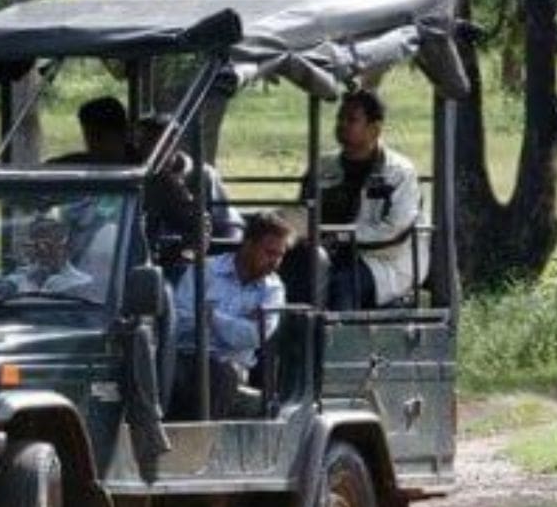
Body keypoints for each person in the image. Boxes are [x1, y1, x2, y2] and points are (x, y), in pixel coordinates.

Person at [303, 88, 423, 310]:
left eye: (351, 119)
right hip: (329, 253)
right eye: (340, 118)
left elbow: (395, 228)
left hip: (384, 261)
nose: (341, 125)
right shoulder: (323, 167)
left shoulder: (399, 172)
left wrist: (340, 237)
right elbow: (303, 211)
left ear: (375, 129)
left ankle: (337, 341)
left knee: (342, 284)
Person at [169, 213, 293, 419]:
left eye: (280, 255)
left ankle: (202, 445)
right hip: (188, 358)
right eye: (270, 253)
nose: (275, 262)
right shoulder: (204, 271)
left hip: (232, 369)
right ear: (248, 244)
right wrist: (235, 325)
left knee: (220, 375)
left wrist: (212, 317)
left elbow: (254, 336)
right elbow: (180, 323)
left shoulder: (273, 289)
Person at [137, 113, 244, 246]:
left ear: (173, 142)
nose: (147, 149)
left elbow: (229, 227)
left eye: (154, 142)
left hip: (189, 258)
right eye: (143, 142)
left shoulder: (204, 175)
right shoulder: (136, 177)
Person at [10, 214, 98, 298]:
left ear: (65, 247)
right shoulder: (18, 278)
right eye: (36, 245)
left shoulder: (82, 283)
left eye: (49, 245)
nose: (43, 250)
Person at [47, 96, 132, 165]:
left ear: (122, 133)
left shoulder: (139, 167)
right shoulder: (81, 163)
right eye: (89, 136)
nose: (93, 144)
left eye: (99, 136)